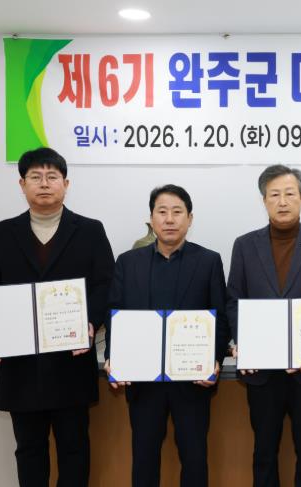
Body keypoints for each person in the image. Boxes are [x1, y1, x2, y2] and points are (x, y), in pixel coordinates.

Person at [0, 147, 114, 487]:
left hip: (70, 362)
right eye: (35, 177)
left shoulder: (90, 230)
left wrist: (90, 322)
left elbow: (106, 285)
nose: (44, 183)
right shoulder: (1, 233)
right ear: (22, 185)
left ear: (66, 184)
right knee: (29, 450)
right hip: (20, 367)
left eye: (52, 176)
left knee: (75, 449)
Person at [104, 184, 229, 487]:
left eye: (177, 212)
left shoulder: (209, 261)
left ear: (190, 218)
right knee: (144, 459)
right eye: (162, 212)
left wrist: (214, 360)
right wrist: (112, 358)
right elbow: (115, 314)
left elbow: (221, 317)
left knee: (195, 459)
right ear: (151, 218)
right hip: (143, 382)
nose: (169, 219)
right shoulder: (128, 262)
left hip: (192, 381)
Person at [227, 164, 301, 487]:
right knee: (264, 451)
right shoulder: (245, 245)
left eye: (290, 193)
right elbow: (234, 300)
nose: (283, 201)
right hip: (262, 372)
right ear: (264, 200)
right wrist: (243, 342)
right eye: (274, 194)